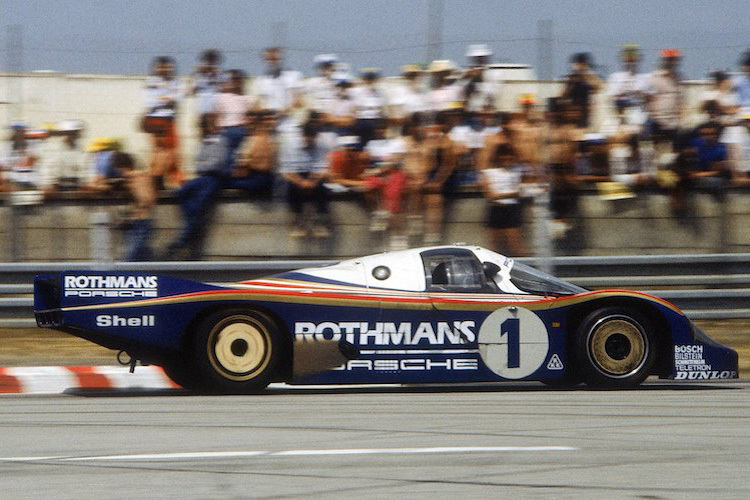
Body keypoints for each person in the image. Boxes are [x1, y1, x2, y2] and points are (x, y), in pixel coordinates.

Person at [166, 113, 225, 259]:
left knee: (197, 209)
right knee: (181, 193)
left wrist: (203, 165)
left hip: (213, 179)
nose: (206, 128)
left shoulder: (220, 141)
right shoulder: (205, 142)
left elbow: (216, 163)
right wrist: (203, 165)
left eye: (208, 125)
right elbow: (198, 164)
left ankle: (182, 241)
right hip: (202, 177)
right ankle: (189, 233)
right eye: (205, 126)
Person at [279, 116, 333, 238]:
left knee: (322, 188)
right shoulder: (290, 144)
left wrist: (312, 181)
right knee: (290, 187)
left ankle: (319, 222)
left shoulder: (321, 144)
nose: (309, 141)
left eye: (312, 138)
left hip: (313, 174)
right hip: (296, 174)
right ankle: (298, 221)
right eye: (307, 137)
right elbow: (286, 170)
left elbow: (322, 167)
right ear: (302, 135)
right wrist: (301, 182)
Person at [142, 56, 183, 188]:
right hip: (156, 119)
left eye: (167, 66)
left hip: (170, 119)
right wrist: (167, 99)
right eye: (161, 66)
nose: (164, 69)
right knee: (159, 150)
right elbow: (149, 102)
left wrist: (166, 99)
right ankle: (156, 178)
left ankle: (167, 179)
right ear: (156, 68)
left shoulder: (176, 82)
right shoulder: (150, 82)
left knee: (173, 150)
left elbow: (179, 98)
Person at [479, 143, 525, 256]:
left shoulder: (518, 170)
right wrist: (511, 194)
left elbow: (521, 191)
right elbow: (490, 195)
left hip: (512, 210)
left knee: (516, 248)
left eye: (510, 156)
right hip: (496, 210)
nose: (507, 158)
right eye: (503, 156)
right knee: (494, 250)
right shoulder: (488, 172)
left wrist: (500, 195)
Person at [113, 152, 156, 261]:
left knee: (129, 260)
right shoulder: (143, 176)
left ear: (120, 167)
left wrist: (133, 215)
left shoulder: (135, 178)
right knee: (142, 259)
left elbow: (146, 200)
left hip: (140, 223)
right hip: (142, 222)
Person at [214, 69, 254, 176]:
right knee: (227, 156)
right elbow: (217, 114)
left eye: (238, 79)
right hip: (227, 130)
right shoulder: (221, 97)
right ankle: (226, 178)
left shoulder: (248, 98)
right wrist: (218, 129)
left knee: (242, 156)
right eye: (233, 79)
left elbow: (251, 116)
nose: (236, 81)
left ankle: (240, 177)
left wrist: (248, 127)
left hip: (243, 130)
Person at [644, 49, 684, 155]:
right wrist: (654, 117)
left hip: (673, 123)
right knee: (656, 153)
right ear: (664, 61)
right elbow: (648, 99)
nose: (672, 63)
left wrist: (680, 120)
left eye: (674, 60)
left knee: (673, 155)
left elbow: (680, 101)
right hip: (658, 122)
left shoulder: (679, 79)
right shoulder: (653, 78)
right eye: (670, 60)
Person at [606, 45, 648, 130]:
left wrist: (639, 93)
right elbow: (611, 96)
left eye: (633, 59)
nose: (630, 62)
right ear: (622, 59)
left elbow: (647, 98)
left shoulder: (644, 78)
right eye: (628, 59)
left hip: (637, 112)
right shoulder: (615, 77)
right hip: (618, 113)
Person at [561, 52, 603, 129]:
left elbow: (599, 87)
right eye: (578, 64)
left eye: (582, 64)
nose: (579, 66)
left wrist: (583, 74)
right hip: (574, 109)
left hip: (588, 110)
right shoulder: (572, 78)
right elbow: (563, 94)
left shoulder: (591, 77)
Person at [189, 49, 224, 121]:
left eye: (213, 61)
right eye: (208, 61)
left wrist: (215, 75)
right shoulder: (198, 75)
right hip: (202, 109)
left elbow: (224, 90)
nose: (210, 64)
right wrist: (198, 73)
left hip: (216, 109)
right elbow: (191, 91)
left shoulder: (221, 74)